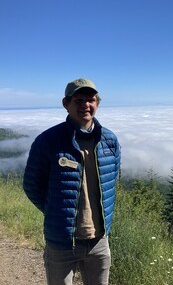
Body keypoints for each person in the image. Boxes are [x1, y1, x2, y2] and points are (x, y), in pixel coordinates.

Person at [23, 78, 121, 285]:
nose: (85, 105)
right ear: (66, 104)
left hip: (99, 241)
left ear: (97, 103)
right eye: (78, 100)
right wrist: (56, 210)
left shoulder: (110, 141)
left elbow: (112, 179)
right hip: (61, 242)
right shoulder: (48, 141)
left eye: (90, 99)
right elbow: (32, 185)